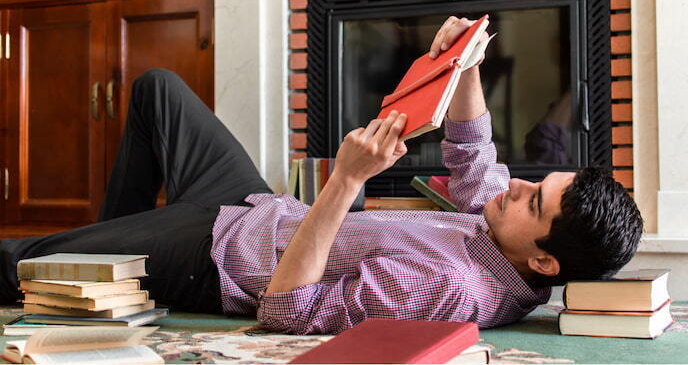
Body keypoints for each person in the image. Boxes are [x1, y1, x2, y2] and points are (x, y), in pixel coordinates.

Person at [0, 17, 643, 335]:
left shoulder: (450, 290)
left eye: (534, 201)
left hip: (217, 257)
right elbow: (474, 155)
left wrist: (346, 181)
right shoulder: (508, 237)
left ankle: (101, 258)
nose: (519, 186)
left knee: (17, 262)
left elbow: (286, 311)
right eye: (539, 182)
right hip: (253, 208)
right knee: (158, 90)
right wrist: (464, 61)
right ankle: (109, 254)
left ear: (548, 264)